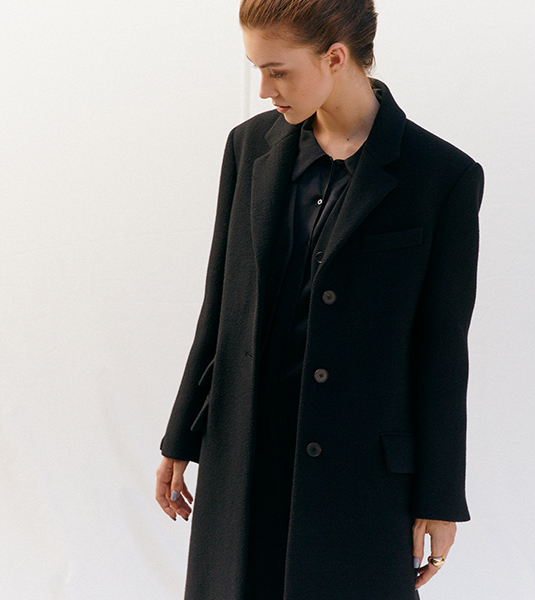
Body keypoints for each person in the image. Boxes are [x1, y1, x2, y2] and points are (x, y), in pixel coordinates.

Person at [155, 1, 484, 598]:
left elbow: (442, 351)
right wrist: (181, 436)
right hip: (244, 452)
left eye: (277, 71)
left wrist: (440, 498)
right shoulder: (248, 148)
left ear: (335, 57)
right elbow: (221, 304)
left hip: (361, 472)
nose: (264, 90)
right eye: (258, 70)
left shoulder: (441, 176)